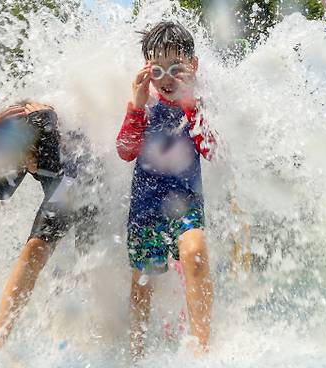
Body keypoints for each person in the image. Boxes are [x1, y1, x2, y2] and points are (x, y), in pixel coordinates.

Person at [116, 21, 217, 358]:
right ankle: (137, 353)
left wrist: (190, 104)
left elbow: (212, 150)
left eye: (177, 68)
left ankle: (203, 350)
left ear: (194, 66)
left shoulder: (199, 105)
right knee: (142, 282)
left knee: (195, 250)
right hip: (145, 207)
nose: (168, 79)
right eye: (158, 70)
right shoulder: (143, 107)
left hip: (186, 202)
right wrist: (135, 103)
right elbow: (125, 151)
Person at [0, 101, 100, 347]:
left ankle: (89, 336)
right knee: (34, 250)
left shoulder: (43, 127)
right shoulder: (17, 144)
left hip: (92, 186)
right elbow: (1, 191)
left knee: (85, 260)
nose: (27, 165)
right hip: (63, 191)